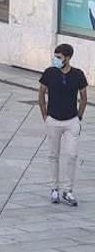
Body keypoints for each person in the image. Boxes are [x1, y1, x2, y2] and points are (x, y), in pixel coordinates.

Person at [38, 44, 88, 206]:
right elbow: (41, 93)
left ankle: (68, 190)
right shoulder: (49, 73)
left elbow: (84, 97)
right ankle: (54, 188)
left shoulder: (78, 75)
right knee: (53, 154)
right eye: (56, 56)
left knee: (72, 154)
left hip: (71, 120)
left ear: (67, 58)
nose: (56, 60)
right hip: (53, 119)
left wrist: (78, 117)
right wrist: (45, 115)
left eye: (59, 57)